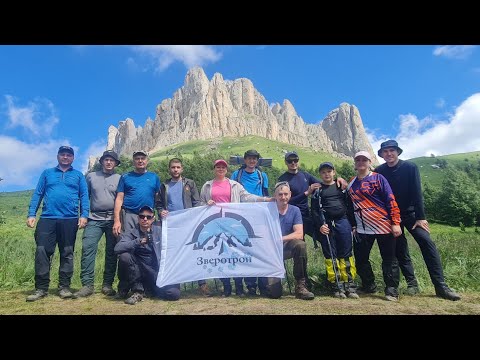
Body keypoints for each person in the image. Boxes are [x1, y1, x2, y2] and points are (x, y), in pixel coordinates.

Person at [376, 140, 461, 301]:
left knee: (427, 243)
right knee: (400, 250)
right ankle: (412, 283)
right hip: (391, 218)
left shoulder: (410, 167)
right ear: (381, 154)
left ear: (397, 152)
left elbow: (417, 192)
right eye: (385, 151)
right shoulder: (379, 171)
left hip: (412, 215)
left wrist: (421, 217)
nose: (388, 154)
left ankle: (441, 286)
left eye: (391, 150)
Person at [200, 159, 271, 297]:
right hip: (216, 224)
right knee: (221, 255)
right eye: (218, 167)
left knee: (236, 255)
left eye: (223, 167)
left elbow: (247, 197)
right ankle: (226, 287)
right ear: (214, 169)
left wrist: (265, 199)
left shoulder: (234, 185)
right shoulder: (207, 186)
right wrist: (206, 203)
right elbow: (200, 203)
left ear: (226, 170)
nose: (220, 169)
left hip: (233, 224)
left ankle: (239, 287)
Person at [26, 146, 89, 301]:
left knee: (67, 252)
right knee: (42, 251)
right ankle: (41, 289)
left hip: (70, 219)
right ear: (58, 156)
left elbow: (84, 196)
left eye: (69, 155)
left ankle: (64, 287)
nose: (65, 157)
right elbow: (38, 193)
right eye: (63, 154)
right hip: (47, 218)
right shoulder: (47, 173)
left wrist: (84, 215)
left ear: (73, 158)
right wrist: (32, 214)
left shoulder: (78, 175)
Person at [348, 151, 402, 301]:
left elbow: (390, 199)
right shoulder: (351, 182)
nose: (360, 162)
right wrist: (353, 225)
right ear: (355, 163)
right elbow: (348, 206)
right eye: (358, 160)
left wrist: (395, 222)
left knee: (389, 259)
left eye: (364, 159)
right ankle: (368, 285)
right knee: (360, 259)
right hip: (361, 228)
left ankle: (391, 290)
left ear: (369, 162)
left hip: (383, 225)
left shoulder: (378, 178)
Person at [155, 158, 211, 296]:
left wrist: (204, 209)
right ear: (169, 169)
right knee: (174, 254)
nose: (175, 169)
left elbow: (196, 202)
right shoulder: (164, 185)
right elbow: (158, 204)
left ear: (182, 169)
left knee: (194, 252)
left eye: (178, 167)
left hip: (188, 224)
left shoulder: (189, 183)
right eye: (173, 167)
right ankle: (175, 284)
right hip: (172, 227)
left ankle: (202, 284)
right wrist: (161, 211)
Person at [113, 150, 161, 298]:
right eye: (137, 158)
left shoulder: (153, 177)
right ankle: (124, 286)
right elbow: (119, 198)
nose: (140, 161)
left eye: (142, 158)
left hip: (148, 216)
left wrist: (157, 218)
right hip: (130, 214)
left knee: (149, 249)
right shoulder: (126, 176)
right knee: (128, 250)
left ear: (147, 160)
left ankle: (144, 284)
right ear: (133, 161)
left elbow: (158, 199)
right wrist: (117, 220)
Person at [73, 150, 121, 298]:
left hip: (113, 219)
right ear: (101, 162)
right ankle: (87, 285)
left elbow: (121, 199)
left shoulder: (120, 178)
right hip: (93, 218)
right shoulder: (91, 176)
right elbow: (84, 197)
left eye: (111, 160)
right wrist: (83, 215)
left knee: (112, 252)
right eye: (106, 160)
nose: (108, 162)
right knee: (88, 249)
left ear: (115, 163)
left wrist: (119, 220)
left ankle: (107, 285)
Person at [259, 182, 315, 300]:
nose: (283, 197)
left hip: (286, 247)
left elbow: (299, 233)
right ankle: (269, 284)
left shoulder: (295, 210)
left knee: (300, 245)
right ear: (275, 195)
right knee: (275, 294)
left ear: (290, 195)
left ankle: (301, 285)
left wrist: (280, 239)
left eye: (285, 194)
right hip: (271, 251)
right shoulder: (266, 210)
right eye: (280, 194)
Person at [114, 205, 180, 305]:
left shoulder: (160, 230)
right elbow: (117, 248)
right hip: (138, 270)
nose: (145, 219)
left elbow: (175, 245)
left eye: (148, 217)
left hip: (156, 271)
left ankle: (150, 290)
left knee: (174, 294)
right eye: (142, 216)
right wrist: (137, 242)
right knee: (125, 257)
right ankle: (137, 291)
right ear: (138, 218)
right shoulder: (132, 232)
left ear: (153, 219)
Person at [311, 162, 358, 299]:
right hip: (327, 225)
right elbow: (314, 211)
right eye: (323, 172)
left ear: (334, 172)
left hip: (343, 222)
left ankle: (349, 284)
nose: (327, 174)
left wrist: (353, 225)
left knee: (346, 253)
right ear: (320, 174)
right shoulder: (318, 191)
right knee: (331, 255)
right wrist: (320, 225)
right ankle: (336, 285)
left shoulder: (341, 187)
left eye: (329, 171)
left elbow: (350, 207)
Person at [231, 149, 269, 296]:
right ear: (245, 160)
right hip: (242, 216)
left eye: (254, 159)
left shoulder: (262, 175)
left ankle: (262, 283)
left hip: (258, 216)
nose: (252, 161)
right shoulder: (236, 175)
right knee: (244, 249)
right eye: (249, 158)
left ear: (257, 161)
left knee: (258, 247)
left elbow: (265, 194)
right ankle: (250, 285)